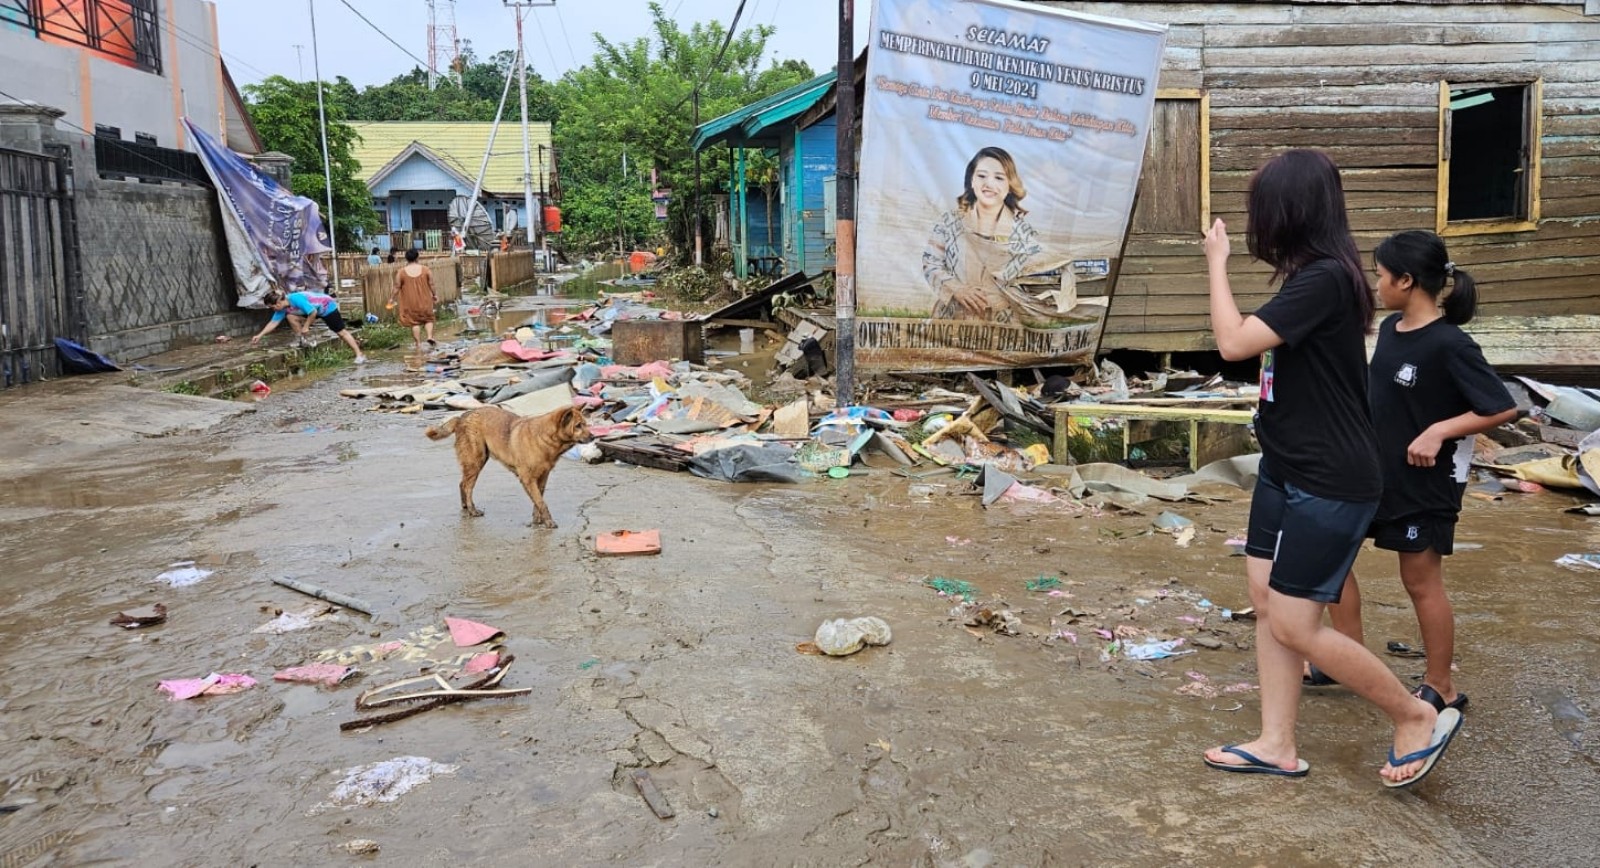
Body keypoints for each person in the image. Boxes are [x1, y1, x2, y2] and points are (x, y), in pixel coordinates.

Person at [1201, 149, 1461, 788]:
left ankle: (1415, 715)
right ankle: (1276, 743)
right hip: (1285, 466)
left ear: (1289, 211)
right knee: (1266, 600)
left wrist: (1216, 264)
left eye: (1262, 205)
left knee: (1294, 620)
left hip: (1328, 477)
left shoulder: (1323, 278)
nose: (1255, 219)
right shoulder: (1315, 276)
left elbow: (1233, 343)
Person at [1301, 231, 1517, 712]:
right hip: (1372, 475)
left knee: (1420, 582)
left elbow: (1501, 407)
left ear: (1406, 279)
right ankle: (1345, 660)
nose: (1376, 284)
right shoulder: (1393, 331)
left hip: (1424, 483)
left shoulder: (1450, 345)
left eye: (1380, 275)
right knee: (1331, 560)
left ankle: (1440, 685)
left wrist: (1439, 430)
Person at [922, 146, 1070, 326]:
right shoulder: (949, 222)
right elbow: (931, 263)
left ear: (1009, 186)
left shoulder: (1023, 235)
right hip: (949, 319)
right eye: (982, 176)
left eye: (999, 178)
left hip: (1002, 325)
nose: (989, 184)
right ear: (971, 181)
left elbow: (1033, 279)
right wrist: (957, 289)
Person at [249, 288, 367, 364]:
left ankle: (359, 354)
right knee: (290, 317)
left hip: (327, 307)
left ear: (278, 303)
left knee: (341, 332)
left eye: (272, 307)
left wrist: (306, 326)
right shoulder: (282, 309)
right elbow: (273, 323)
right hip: (313, 311)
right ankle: (304, 340)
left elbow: (312, 312)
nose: (272, 309)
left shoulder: (296, 299)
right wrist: (260, 335)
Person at [388, 248, 438, 353]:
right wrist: (434, 295)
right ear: (417, 257)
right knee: (428, 319)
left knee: (414, 322)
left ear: (406, 258)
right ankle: (429, 336)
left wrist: (391, 298)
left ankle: (418, 344)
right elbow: (432, 284)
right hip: (425, 300)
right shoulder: (425, 269)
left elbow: (396, 287)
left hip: (410, 302)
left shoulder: (401, 272)